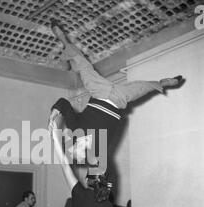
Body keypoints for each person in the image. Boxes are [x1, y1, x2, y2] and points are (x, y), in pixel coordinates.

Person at [48, 20, 184, 175]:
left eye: (73, 152)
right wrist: (95, 179)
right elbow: (100, 169)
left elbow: (64, 103)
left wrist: (54, 112)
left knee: (83, 65)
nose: (76, 153)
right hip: (119, 100)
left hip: (99, 92)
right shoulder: (97, 152)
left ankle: (63, 40)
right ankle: (162, 83)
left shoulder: (74, 127)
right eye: (78, 156)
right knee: (143, 87)